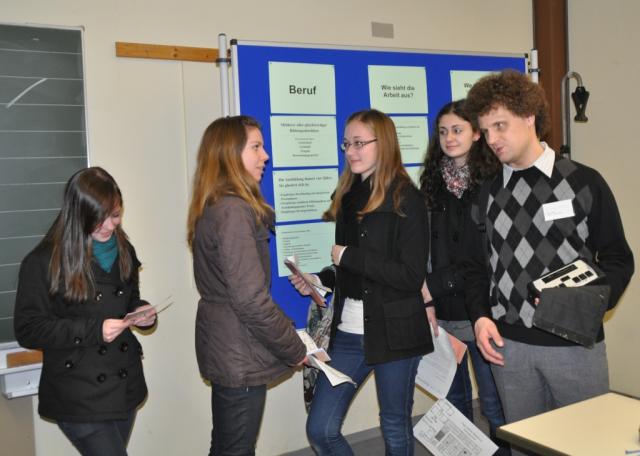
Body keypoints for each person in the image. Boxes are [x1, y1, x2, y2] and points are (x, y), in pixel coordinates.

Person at [463, 70, 634, 455]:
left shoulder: (584, 182)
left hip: (575, 345)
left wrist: (588, 304)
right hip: (509, 348)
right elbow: (475, 267)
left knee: (590, 445)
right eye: (485, 131)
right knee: (526, 447)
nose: (492, 139)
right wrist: (480, 317)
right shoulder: (487, 194)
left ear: (529, 116)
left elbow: (618, 258)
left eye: (500, 126)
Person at [290, 109, 432, 455]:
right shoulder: (348, 196)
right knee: (321, 429)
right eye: (346, 144)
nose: (350, 151)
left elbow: (410, 276)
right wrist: (319, 279)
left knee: (394, 426)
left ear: (383, 144)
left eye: (359, 143)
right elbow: (345, 268)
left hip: (395, 332)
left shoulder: (408, 200)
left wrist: (350, 257)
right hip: (350, 332)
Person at [14, 166, 157, 456]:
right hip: (77, 392)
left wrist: (141, 313)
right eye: (98, 219)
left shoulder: (124, 249)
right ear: (77, 215)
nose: (109, 227)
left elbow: (129, 299)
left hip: (123, 384)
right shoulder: (43, 261)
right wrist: (94, 330)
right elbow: (28, 329)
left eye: (115, 215)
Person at [187, 115, 307, 456]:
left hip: (229, 346)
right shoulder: (233, 211)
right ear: (229, 154)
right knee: (236, 448)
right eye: (256, 147)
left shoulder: (217, 205)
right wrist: (295, 348)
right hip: (238, 350)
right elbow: (251, 299)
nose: (265, 156)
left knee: (229, 446)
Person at [418, 100, 508, 450]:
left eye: (457, 130)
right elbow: (422, 250)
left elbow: (484, 257)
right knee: (453, 406)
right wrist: (427, 300)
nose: (449, 138)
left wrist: (434, 286)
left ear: (476, 134)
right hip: (442, 314)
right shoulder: (431, 186)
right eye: (443, 132)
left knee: (494, 405)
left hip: (482, 312)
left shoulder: (494, 183)